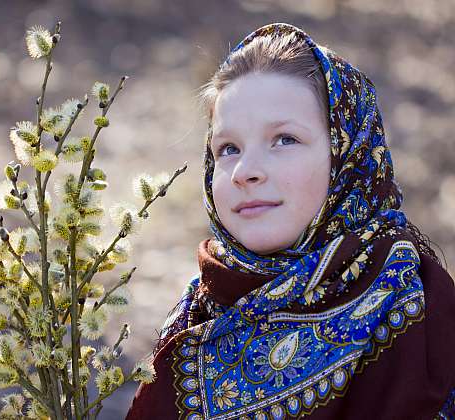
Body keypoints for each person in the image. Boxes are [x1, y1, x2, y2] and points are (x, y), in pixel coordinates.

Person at [125, 22, 455, 419]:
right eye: (228, 148)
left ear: (346, 158)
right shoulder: (196, 315)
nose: (245, 170)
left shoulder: (419, 317)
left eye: (284, 140)